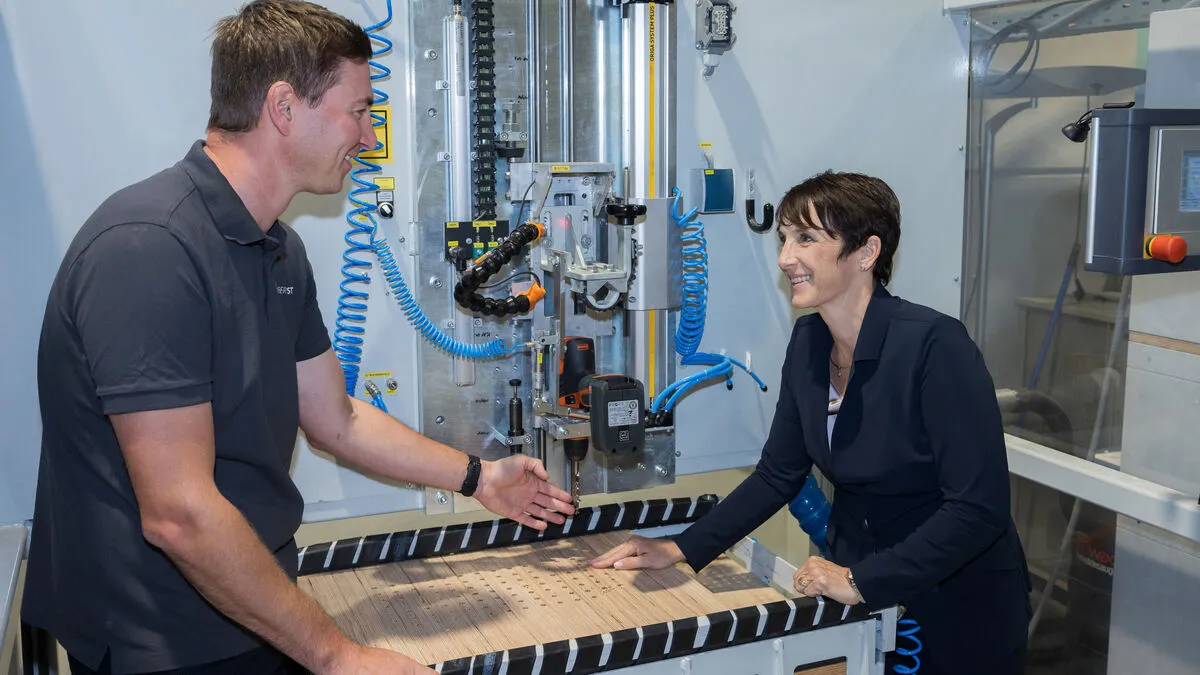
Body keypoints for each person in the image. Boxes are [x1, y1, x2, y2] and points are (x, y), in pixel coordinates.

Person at [22, 2, 574, 674]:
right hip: (164, 642)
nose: (370, 136)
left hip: (253, 611)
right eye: (360, 110)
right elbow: (179, 513)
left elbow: (334, 418)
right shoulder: (149, 249)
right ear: (285, 107)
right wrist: (337, 655)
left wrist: (479, 476)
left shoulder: (279, 251)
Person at [592, 171, 1031, 674]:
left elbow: (978, 508)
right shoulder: (809, 343)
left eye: (806, 238)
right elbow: (778, 473)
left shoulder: (934, 346)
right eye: (783, 238)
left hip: (959, 607)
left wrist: (864, 581)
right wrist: (683, 547)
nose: (784, 258)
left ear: (866, 253)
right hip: (861, 597)